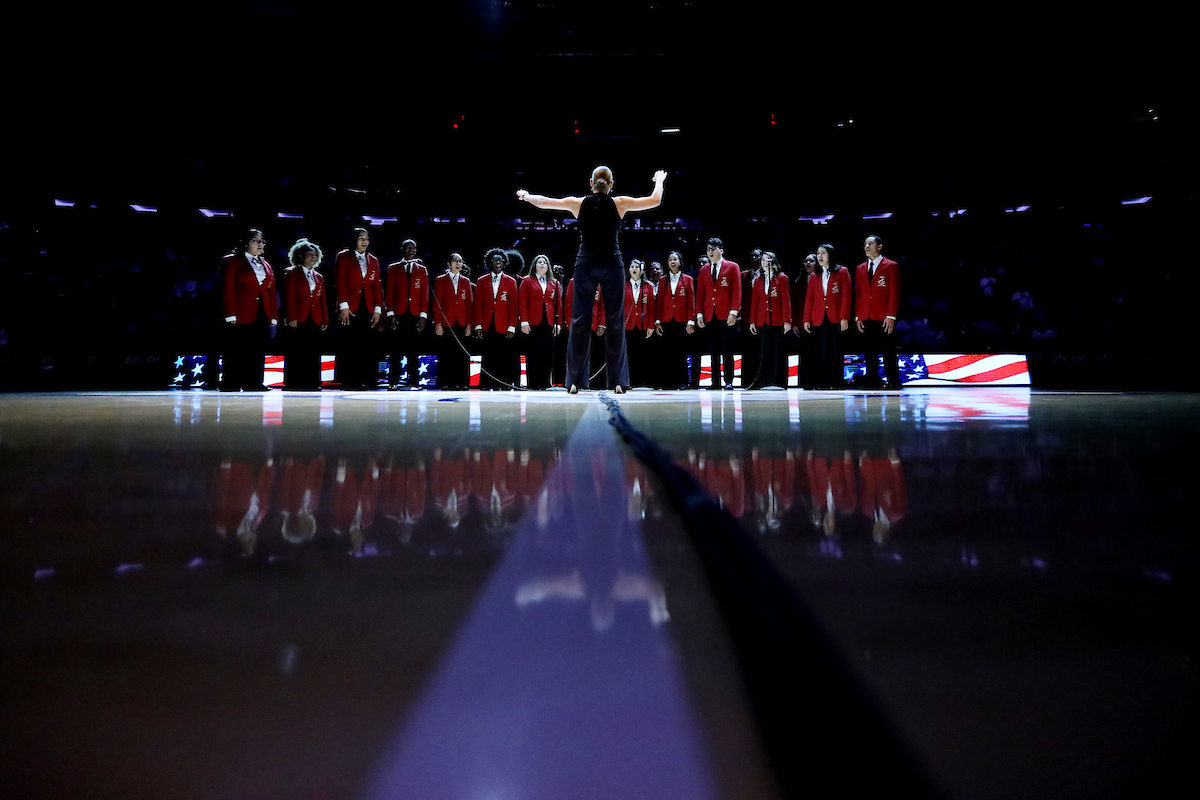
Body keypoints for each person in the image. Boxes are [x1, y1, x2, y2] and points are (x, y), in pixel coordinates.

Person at [517, 166, 667, 393]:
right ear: (612, 184)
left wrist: (526, 196)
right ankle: (617, 382)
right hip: (611, 263)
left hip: (586, 263)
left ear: (591, 183)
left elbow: (544, 202)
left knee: (579, 321)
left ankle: (575, 382)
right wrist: (658, 180)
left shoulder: (578, 203)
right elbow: (655, 200)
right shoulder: (619, 203)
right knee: (616, 322)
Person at [219, 228, 278, 392]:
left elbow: (270, 292)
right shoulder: (232, 261)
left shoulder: (266, 264)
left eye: (262, 241)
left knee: (258, 347)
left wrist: (273, 316)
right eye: (255, 241)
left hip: (261, 311)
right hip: (239, 311)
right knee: (236, 348)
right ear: (245, 243)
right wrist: (230, 313)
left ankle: (254, 382)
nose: (260, 244)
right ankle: (231, 382)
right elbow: (227, 288)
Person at [333, 228, 383, 389]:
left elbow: (377, 285)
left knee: (366, 344)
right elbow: (340, 282)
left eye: (367, 238)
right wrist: (344, 306)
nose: (364, 241)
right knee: (349, 344)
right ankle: (349, 380)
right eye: (361, 238)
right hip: (349, 306)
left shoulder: (373, 260)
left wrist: (377, 309)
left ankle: (365, 380)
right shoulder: (343, 257)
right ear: (354, 240)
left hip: (367, 306)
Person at [280, 238, 329, 390]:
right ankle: (293, 383)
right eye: (309, 253)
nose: (313, 256)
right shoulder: (292, 273)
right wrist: (292, 317)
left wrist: (325, 319)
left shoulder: (319, 277)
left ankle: (312, 382)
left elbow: (322, 300)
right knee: (296, 351)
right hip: (298, 318)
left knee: (313, 351)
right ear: (301, 256)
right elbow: (289, 297)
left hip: (315, 317)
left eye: (315, 254)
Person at [854, 235, 902, 389]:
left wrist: (891, 315)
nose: (867, 246)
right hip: (866, 315)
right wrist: (858, 316)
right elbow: (859, 294)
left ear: (879, 246)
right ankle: (872, 381)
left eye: (870, 243)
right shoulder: (860, 268)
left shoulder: (891, 265)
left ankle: (893, 381)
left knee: (888, 350)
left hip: (884, 315)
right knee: (869, 350)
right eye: (865, 244)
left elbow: (894, 292)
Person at [802, 243, 852, 389]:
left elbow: (846, 297)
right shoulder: (814, 275)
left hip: (835, 317)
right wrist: (806, 319)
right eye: (818, 253)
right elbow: (809, 299)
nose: (820, 256)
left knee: (835, 351)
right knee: (820, 352)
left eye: (823, 253)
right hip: (818, 317)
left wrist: (844, 318)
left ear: (830, 255)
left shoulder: (842, 272)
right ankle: (821, 383)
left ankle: (836, 382)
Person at [696, 237, 742, 388]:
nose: (710, 251)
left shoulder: (732, 267)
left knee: (727, 348)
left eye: (713, 248)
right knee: (713, 349)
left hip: (726, 313)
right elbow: (700, 294)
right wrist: (699, 314)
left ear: (721, 250)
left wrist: (734, 311)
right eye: (708, 249)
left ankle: (728, 381)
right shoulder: (703, 270)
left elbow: (737, 291)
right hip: (710, 313)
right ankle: (715, 382)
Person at [384, 238, 430, 390]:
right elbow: (389, 293)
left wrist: (423, 316)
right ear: (402, 249)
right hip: (399, 314)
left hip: (415, 314)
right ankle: (393, 381)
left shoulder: (422, 269)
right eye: (408, 247)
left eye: (414, 248)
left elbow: (425, 295)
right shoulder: (393, 268)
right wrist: (390, 315)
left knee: (414, 350)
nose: (411, 250)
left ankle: (414, 382)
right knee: (396, 350)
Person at [473, 248, 519, 388]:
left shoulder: (511, 282)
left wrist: (512, 326)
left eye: (500, 261)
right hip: (487, 324)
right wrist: (478, 325)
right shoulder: (481, 281)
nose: (497, 263)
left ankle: (503, 384)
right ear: (489, 263)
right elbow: (478, 305)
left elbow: (514, 306)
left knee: (503, 356)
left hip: (504, 324)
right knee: (488, 355)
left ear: (504, 263)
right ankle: (487, 384)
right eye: (494, 260)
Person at [747, 251, 792, 387]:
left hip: (778, 319)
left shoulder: (781, 278)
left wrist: (787, 321)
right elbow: (755, 302)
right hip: (763, 320)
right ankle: (765, 380)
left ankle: (777, 381)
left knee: (777, 350)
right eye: (763, 260)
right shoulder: (758, 280)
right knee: (764, 351)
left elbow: (786, 301)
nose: (765, 262)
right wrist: (752, 321)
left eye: (768, 260)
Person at [653, 250, 696, 390]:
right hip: (666, 320)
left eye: (675, 259)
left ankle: (682, 382)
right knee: (666, 352)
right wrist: (657, 321)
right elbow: (659, 302)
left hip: (681, 320)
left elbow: (691, 301)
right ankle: (667, 382)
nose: (672, 262)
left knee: (680, 352)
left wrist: (691, 321)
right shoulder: (662, 280)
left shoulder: (688, 279)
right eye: (670, 259)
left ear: (680, 262)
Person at [519, 254, 561, 389]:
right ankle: (533, 383)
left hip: (548, 321)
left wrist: (558, 323)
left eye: (544, 262)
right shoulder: (527, 280)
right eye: (539, 262)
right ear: (534, 266)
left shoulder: (554, 283)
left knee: (547, 352)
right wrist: (524, 321)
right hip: (532, 322)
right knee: (533, 352)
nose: (542, 264)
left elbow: (558, 304)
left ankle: (545, 382)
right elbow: (522, 302)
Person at [432, 253, 474, 389]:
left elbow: (469, 304)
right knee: (446, 354)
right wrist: (438, 323)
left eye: (460, 261)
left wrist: (469, 325)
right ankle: (445, 382)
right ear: (449, 264)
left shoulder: (466, 281)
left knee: (461, 354)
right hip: (446, 323)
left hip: (461, 322)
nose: (458, 263)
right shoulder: (441, 280)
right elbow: (437, 303)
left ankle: (461, 382)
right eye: (455, 261)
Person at [623, 259, 655, 387]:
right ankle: (631, 381)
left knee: (644, 354)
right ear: (629, 270)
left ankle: (644, 381)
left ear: (641, 270)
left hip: (643, 325)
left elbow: (652, 308)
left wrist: (651, 326)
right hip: (628, 324)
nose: (634, 269)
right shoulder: (623, 286)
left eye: (637, 267)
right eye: (632, 267)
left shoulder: (648, 286)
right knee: (630, 354)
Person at [793, 253, 818, 389]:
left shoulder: (822, 278)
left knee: (817, 352)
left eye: (811, 261)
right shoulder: (799, 282)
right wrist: (795, 323)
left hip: (819, 321)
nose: (808, 263)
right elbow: (795, 305)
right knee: (805, 353)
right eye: (806, 261)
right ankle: (805, 382)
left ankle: (818, 381)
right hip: (803, 323)